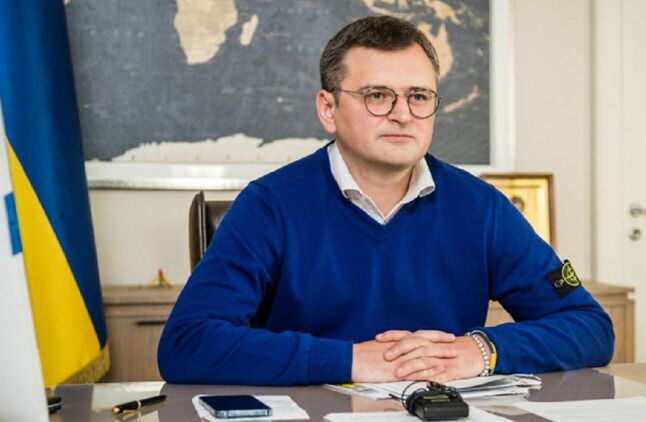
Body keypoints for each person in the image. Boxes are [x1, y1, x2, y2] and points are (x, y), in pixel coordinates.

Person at [158, 16, 614, 386]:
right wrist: (351, 361)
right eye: (377, 96)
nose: (402, 114)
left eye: (419, 96)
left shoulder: (483, 208)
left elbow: (590, 325)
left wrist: (479, 350)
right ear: (328, 109)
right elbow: (186, 343)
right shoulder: (268, 206)